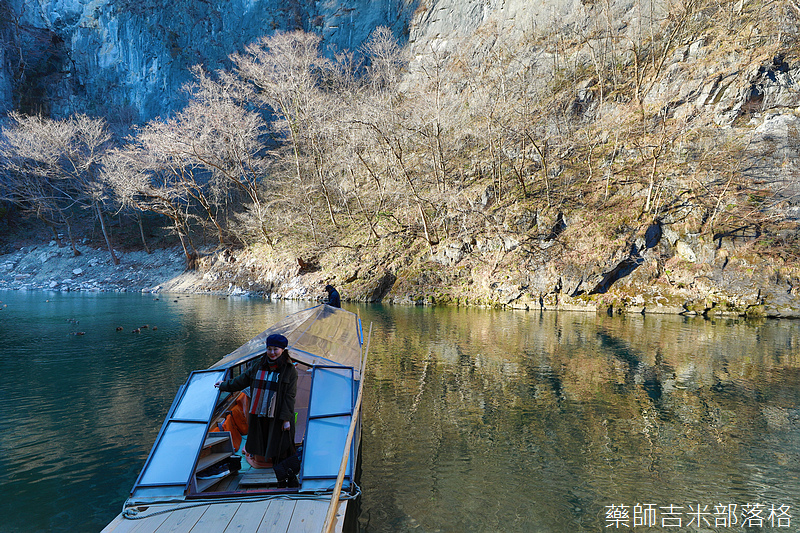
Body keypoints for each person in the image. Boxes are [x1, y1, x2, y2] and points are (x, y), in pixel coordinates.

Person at [215, 333, 297, 468]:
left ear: (283, 350)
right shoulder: (258, 364)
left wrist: (286, 419)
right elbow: (242, 380)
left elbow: (290, 396)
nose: (272, 353)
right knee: (260, 437)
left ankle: (279, 465)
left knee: (278, 439)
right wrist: (224, 385)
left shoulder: (289, 370)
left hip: (277, 413)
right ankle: (262, 460)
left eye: (276, 349)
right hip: (258, 411)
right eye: (269, 349)